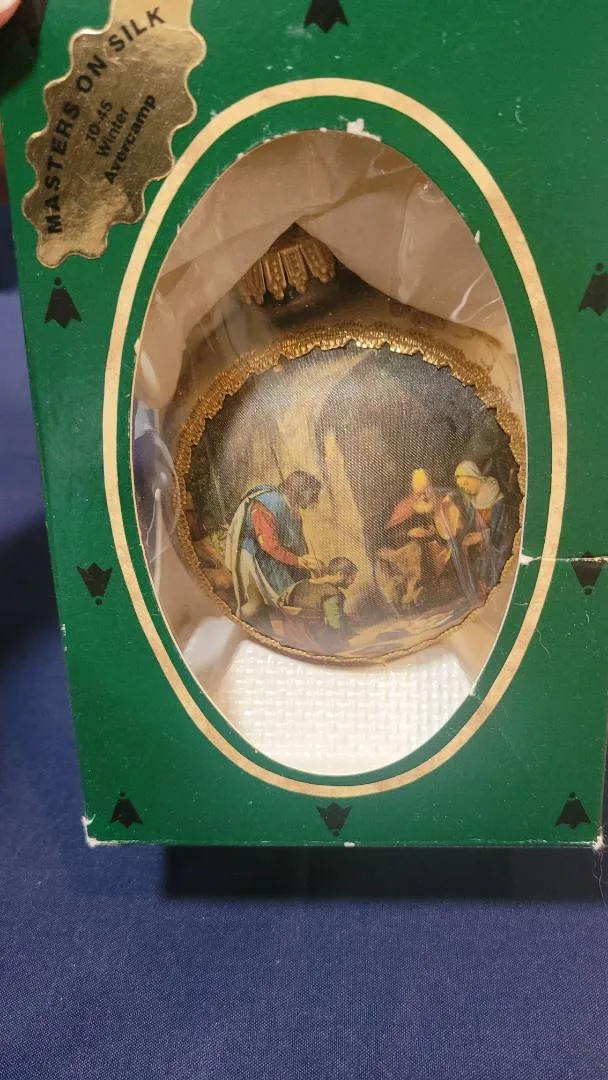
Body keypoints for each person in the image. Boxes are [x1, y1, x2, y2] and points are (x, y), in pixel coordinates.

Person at [224, 470, 324, 627]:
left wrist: (306, 560)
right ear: (301, 490)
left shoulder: (291, 508)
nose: (315, 499)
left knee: (283, 600)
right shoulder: (269, 503)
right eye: (313, 494)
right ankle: (236, 626)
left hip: (272, 558)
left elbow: (294, 542)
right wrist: (298, 561)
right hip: (254, 557)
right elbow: (268, 544)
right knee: (256, 605)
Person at [380, 468, 466, 608]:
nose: (424, 496)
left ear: (431, 487)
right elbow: (389, 535)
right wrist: (409, 533)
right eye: (419, 493)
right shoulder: (405, 507)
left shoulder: (440, 501)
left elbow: (450, 529)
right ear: (411, 492)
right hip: (415, 553)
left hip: (441, 548)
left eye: (427, 490)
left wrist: (435, 532)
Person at [281, 556, 358, 655]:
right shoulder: (332, 593)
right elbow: (334, 622)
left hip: (291, 632)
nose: (352, 582)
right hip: (313, 637)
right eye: (351, 578)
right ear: (340, 574)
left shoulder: (301, 584)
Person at [454, 460, 508, 595]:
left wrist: (482, 536)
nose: (465, 489)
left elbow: (504, 533)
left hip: (499, 549)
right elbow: (473, 525)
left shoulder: (497, 500)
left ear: (474, 476)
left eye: (466, 483)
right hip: (485, 549)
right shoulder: (474, 502)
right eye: (462, 487)